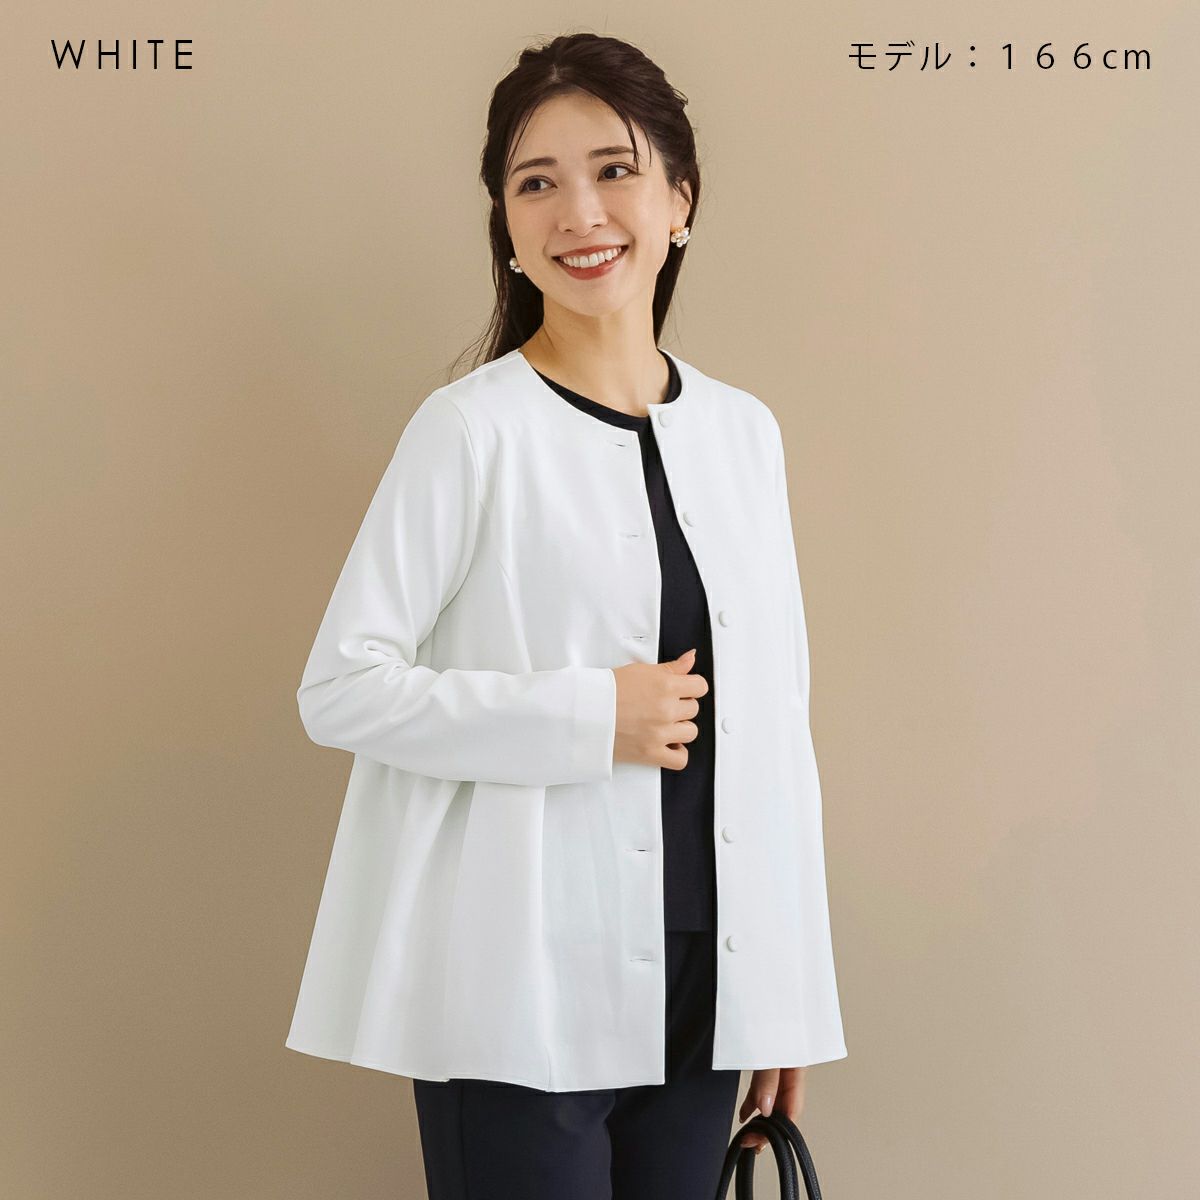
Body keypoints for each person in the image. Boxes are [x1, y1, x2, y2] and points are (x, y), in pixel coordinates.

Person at [285, 31, 847, 1200]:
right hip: (515, 980)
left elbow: (778, 732)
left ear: (680, 200)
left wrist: (786, 994)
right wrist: (593, 716)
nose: (579, 212)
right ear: (506, 223)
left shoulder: (744, 435)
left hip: (708, 987)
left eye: (614, 170)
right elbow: (341, 687)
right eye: (536, 182)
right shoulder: (469, 431)